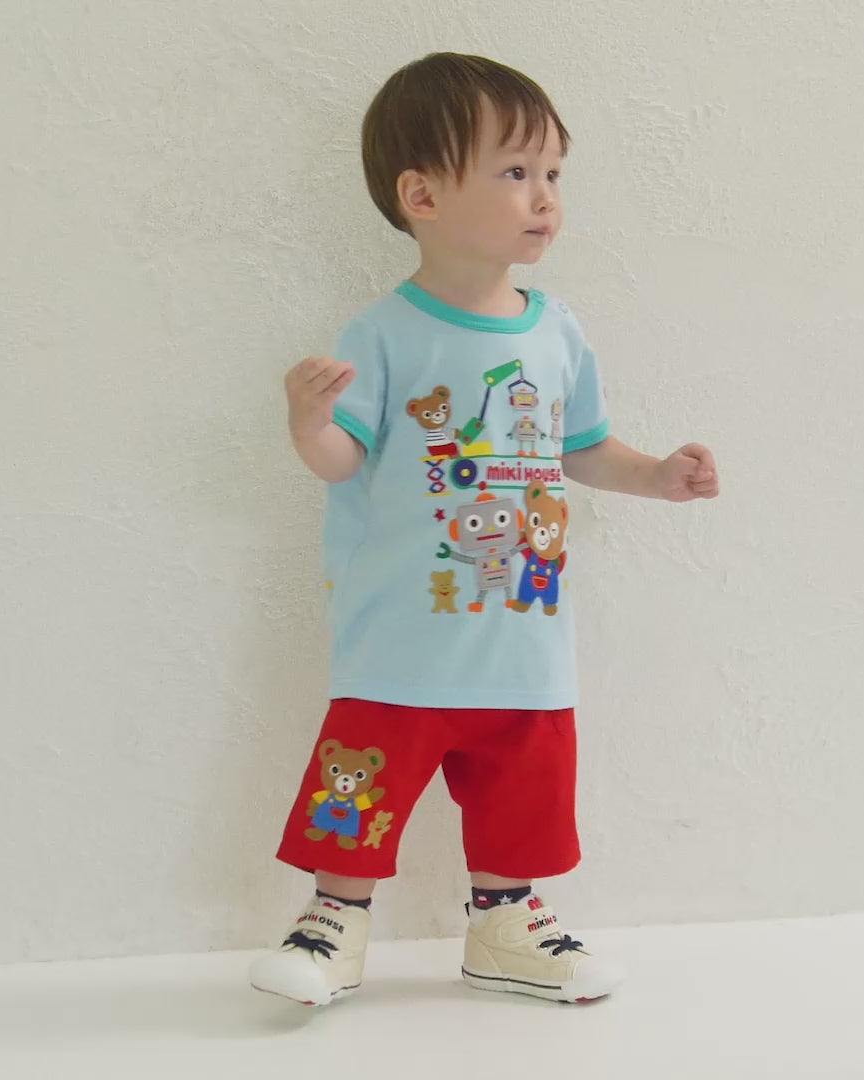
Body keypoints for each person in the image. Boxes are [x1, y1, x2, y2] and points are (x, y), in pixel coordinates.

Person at [248, 52, 720, 1008]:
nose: (544, 197)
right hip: (402, 640)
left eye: (553, 173)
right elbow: (342, 459)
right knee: (361, 782)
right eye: (514, 171)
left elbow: (583, 447)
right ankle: (333, 922)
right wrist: (307, 423)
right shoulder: (385, 332)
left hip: (523, 635)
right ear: (422, 195)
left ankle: (507, 923)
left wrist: (655, 476)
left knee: (524, 788)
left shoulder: (557, 332)